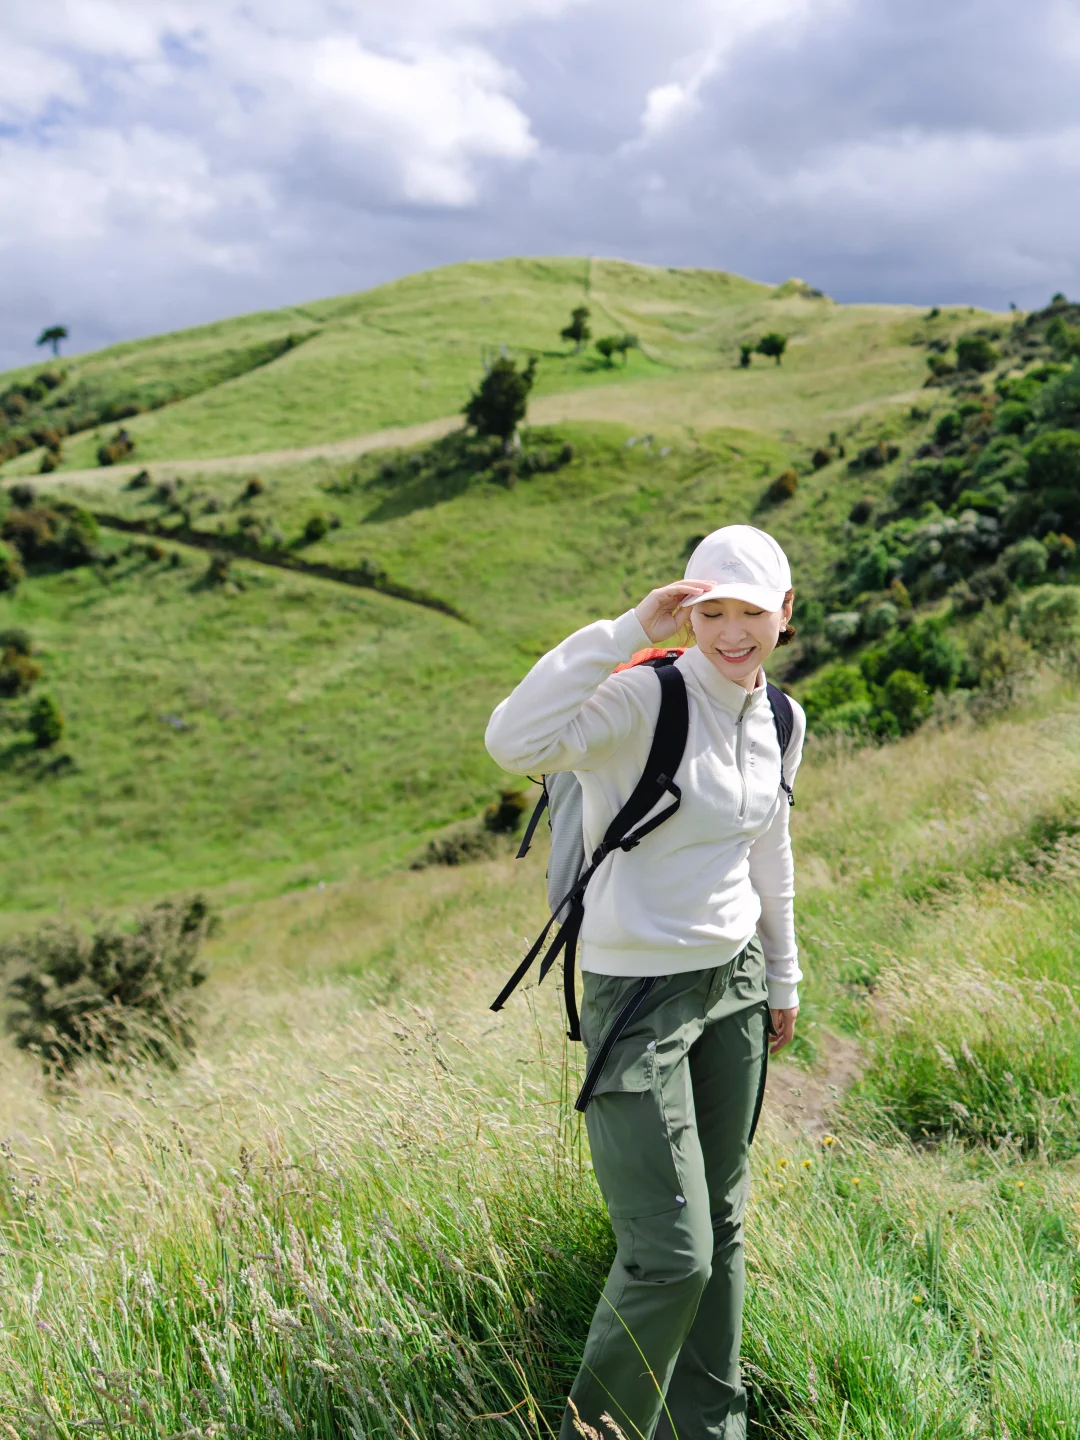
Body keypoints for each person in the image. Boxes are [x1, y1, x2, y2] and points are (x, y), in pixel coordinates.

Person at [485, 524, 806, 1440]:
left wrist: (783, 974)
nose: (732, 633)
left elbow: (769, 848)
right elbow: (513, 740)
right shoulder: (642, 700)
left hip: (736, 985)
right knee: (671, 1255)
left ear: (786, 612)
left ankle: (711, 1428)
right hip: (637, 997)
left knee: (724, 1227)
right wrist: (629, 628)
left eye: (752, 612)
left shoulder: (783, 719)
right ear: (688, 612)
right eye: (713, 612)